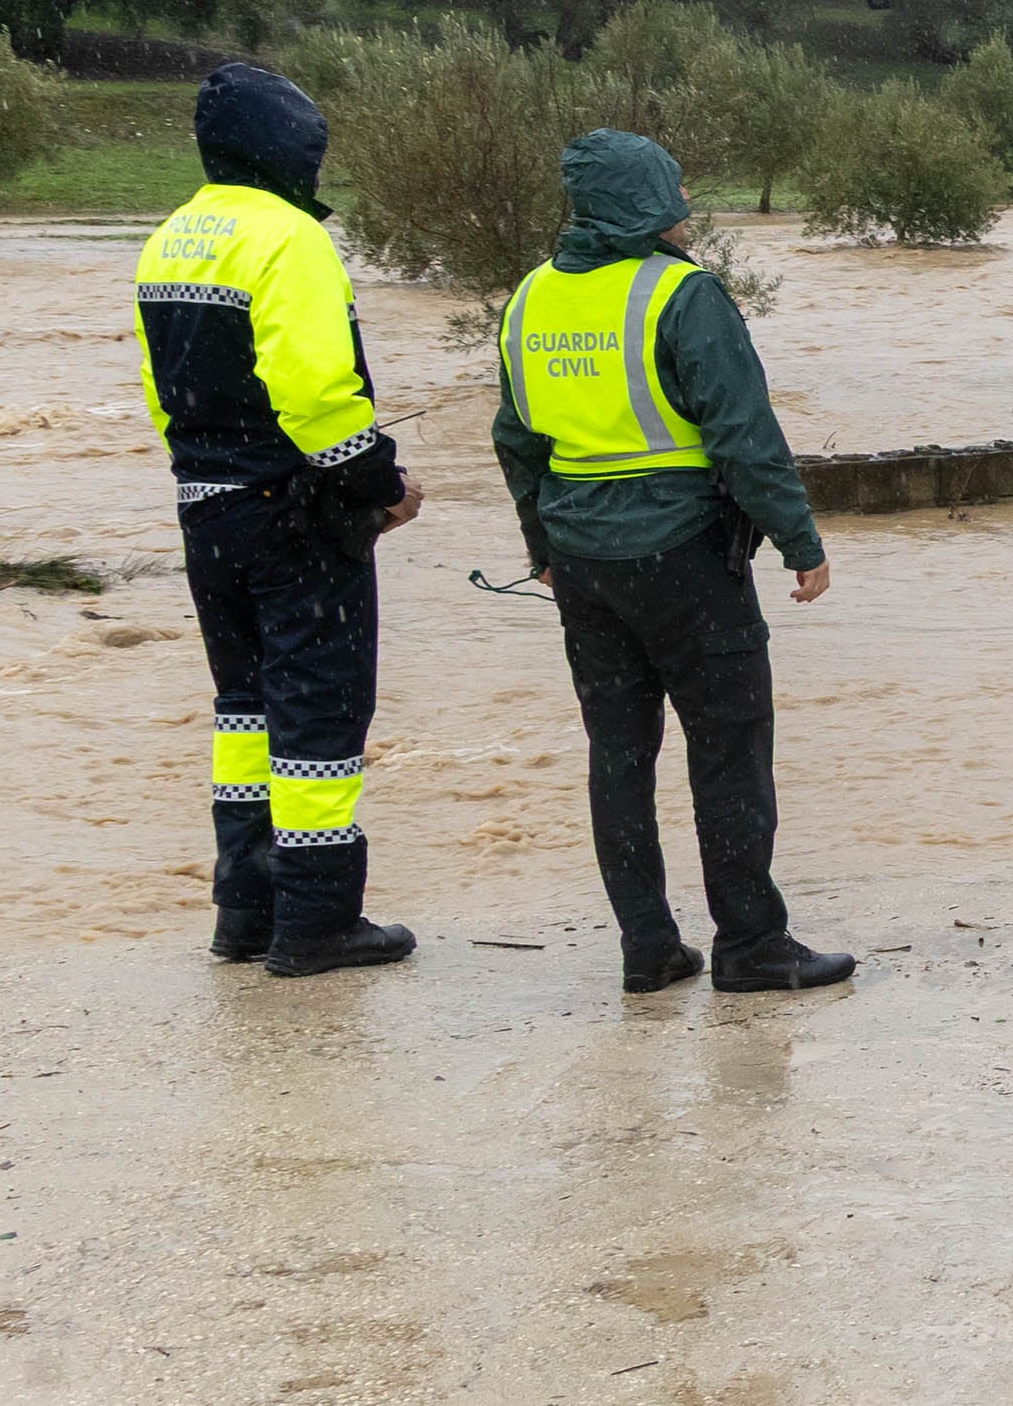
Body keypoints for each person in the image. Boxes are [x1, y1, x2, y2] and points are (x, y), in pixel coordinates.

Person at [492, 130, 855, 995]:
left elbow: (515, 439)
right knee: (727, 751)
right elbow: (744, 435)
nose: (688, 208)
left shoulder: (529, 299)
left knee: (617, 755)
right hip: (686, 558)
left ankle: (647, 949)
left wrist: (540, 546)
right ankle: (750, 944)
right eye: (675, 190)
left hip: (582, 566)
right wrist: (801, 541)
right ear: (648, 202)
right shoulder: (682, 296)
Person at [134, 61, 421, 977]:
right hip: (294, 516)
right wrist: (380, 486)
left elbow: (158, 389)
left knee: (243, 712)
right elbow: (317, 393)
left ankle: (244, 908)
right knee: (318, 712)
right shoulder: (291, 240)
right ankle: (319, 918)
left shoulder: (169, 239)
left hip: (203, 507)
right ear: (288, 149)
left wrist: (209, 471)